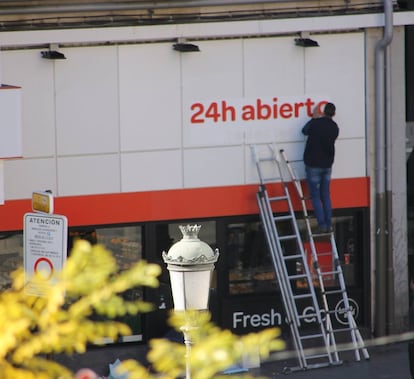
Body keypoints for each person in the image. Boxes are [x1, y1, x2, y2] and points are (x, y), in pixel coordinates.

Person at [302, 102, 339, 234]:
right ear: (334, 114)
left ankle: (322, 224)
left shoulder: (316, 124)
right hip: (327, 165)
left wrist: (313, 117)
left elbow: (304, 131)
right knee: (325, 195)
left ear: (322, 112)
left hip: (313, 164)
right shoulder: (335, 127)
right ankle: (328, 224)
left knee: (315, 196)